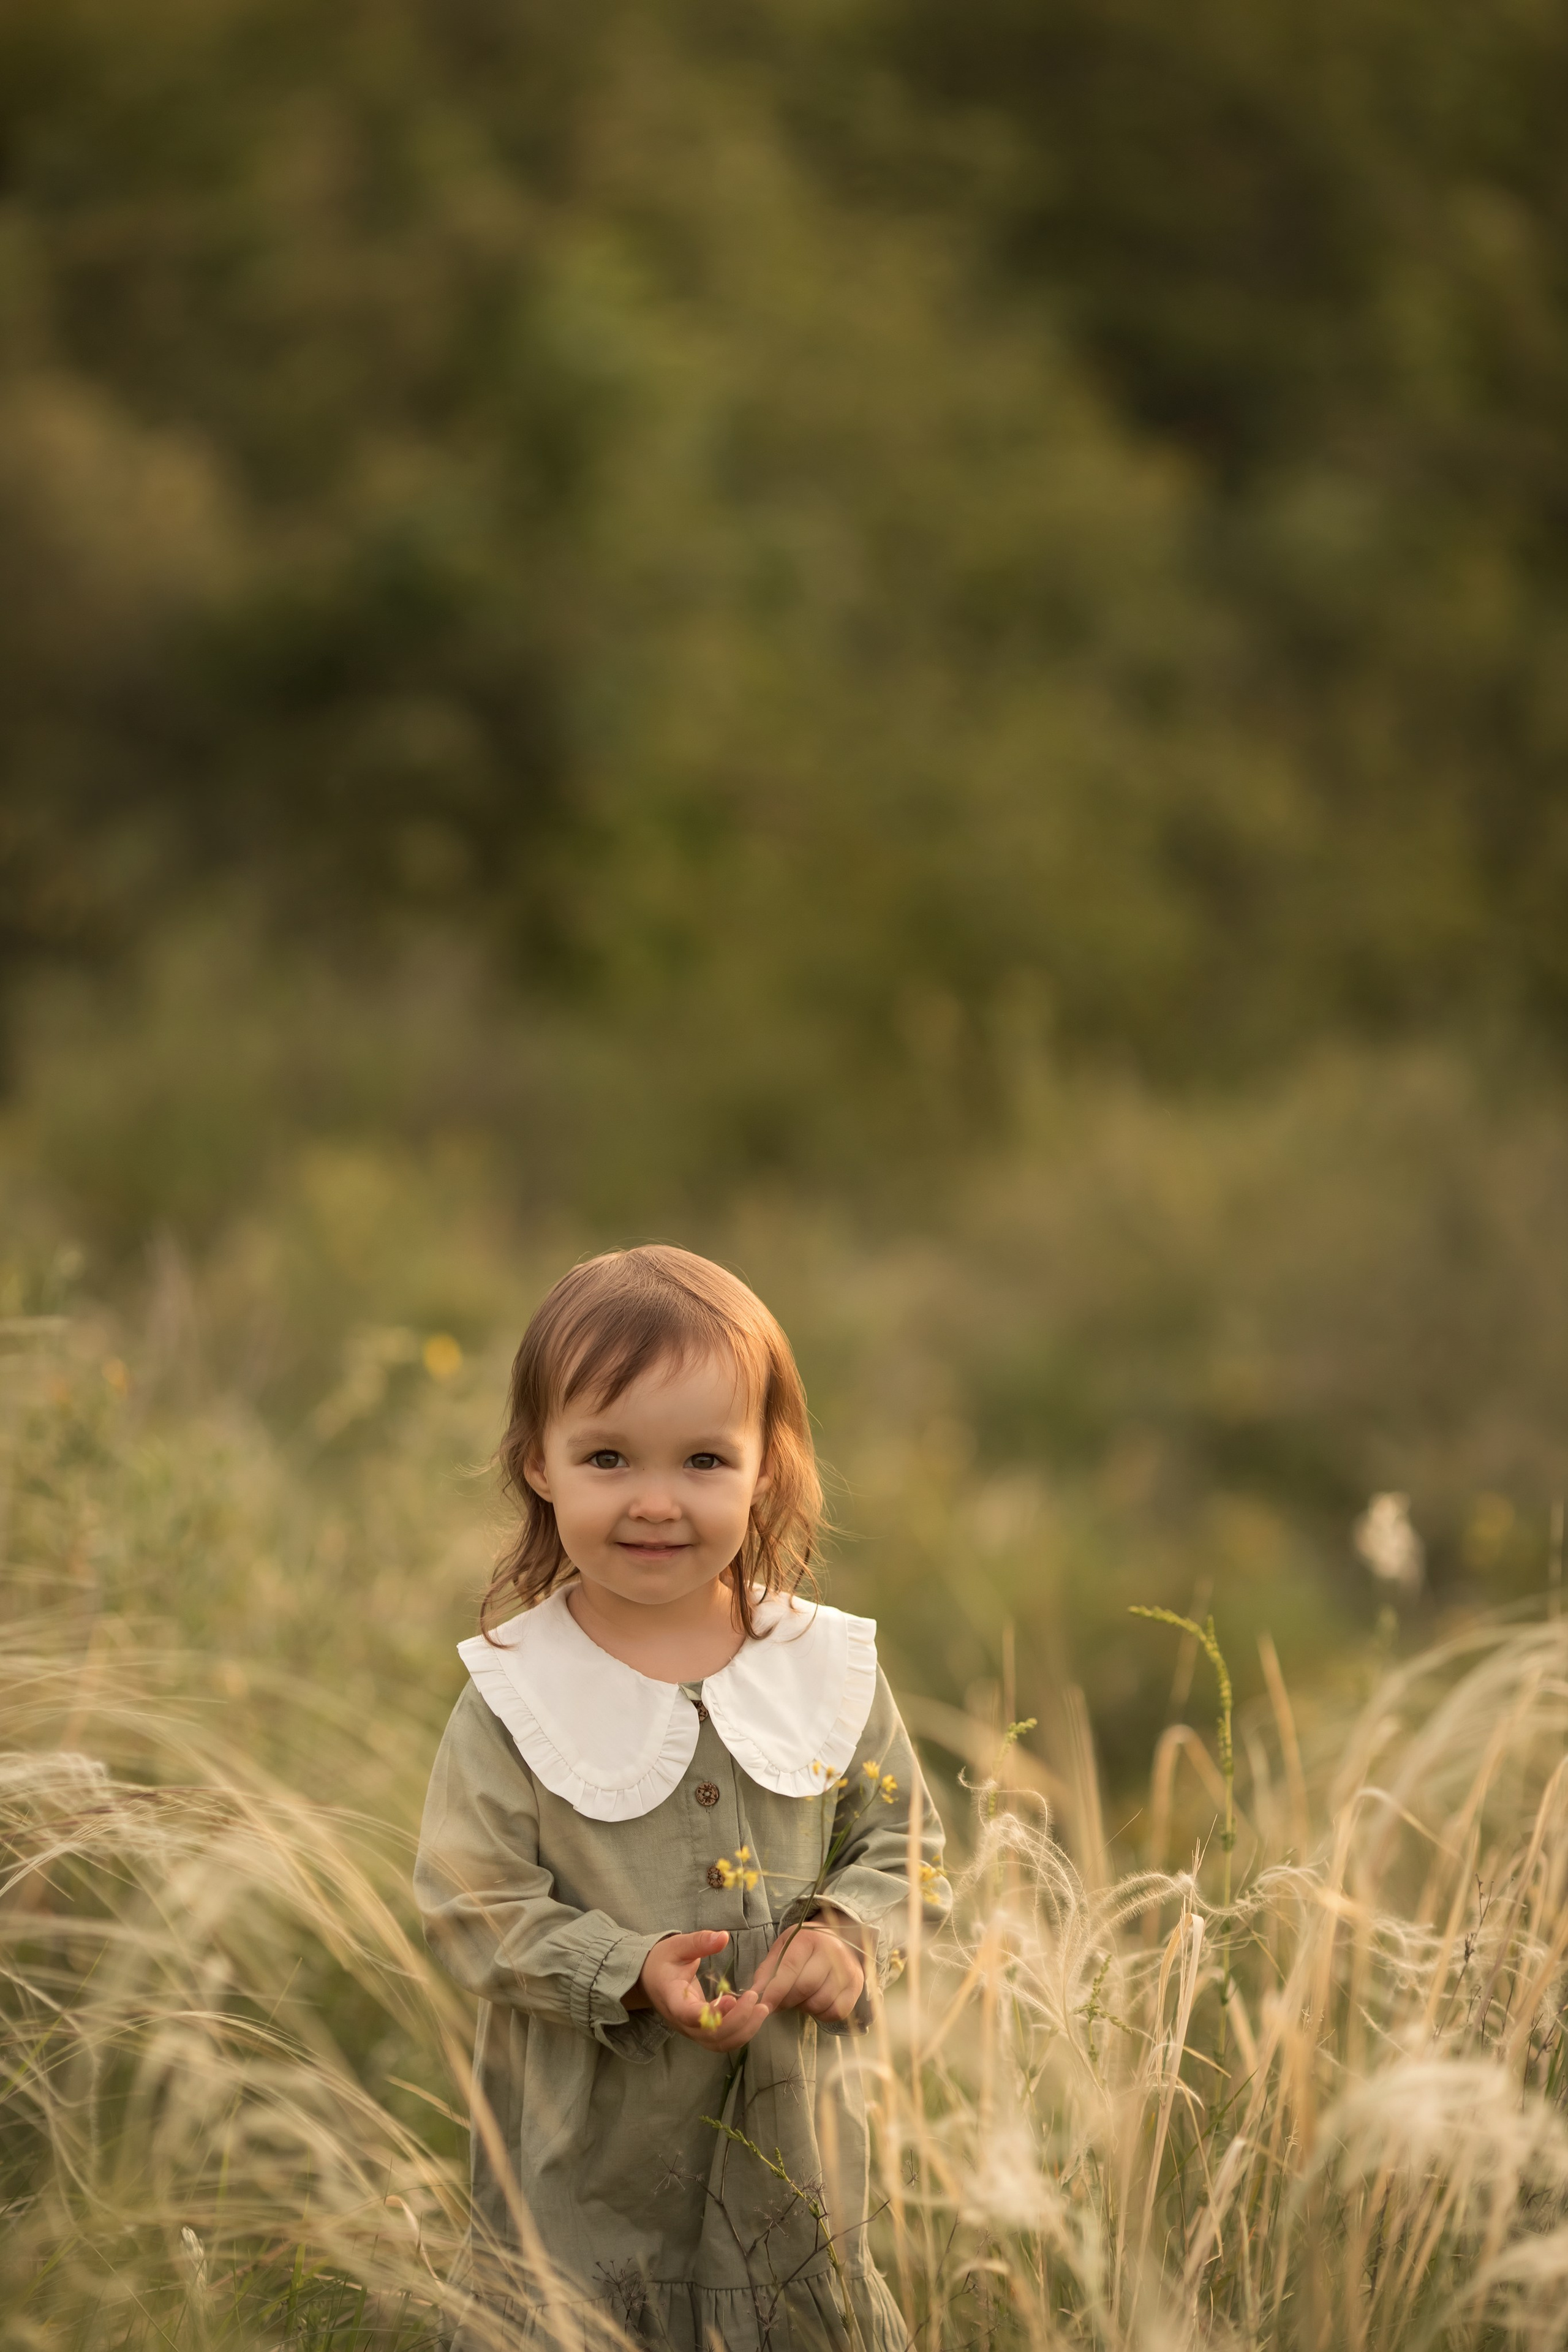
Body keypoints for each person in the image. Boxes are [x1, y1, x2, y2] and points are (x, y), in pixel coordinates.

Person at [415, 1244, 949, 2351]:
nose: (655, 1503)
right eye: (608, 1456)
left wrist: (849, 1935)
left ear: (767, 1468)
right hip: (587, 2194)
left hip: (795, 2172)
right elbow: (469, 1905)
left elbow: (906, 1842)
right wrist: (621, 1969)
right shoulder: (517, 1693)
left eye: (704, 1459)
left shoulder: (823, 1667)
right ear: (538, 1464)